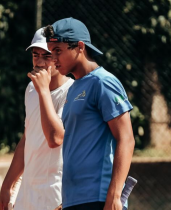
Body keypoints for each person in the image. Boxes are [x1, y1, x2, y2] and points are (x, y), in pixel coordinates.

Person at [44, 17, 135, 210]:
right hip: (75, 200)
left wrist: (115, 195)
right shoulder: (74, 89)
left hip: (100, 198)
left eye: (58, 51)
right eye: (51, 52)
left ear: (79, 47)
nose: (53, 59)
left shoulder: (103, 82)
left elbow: (126, 139)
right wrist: (69, 199)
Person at [0, 27, 74, 210]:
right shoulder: (31, 89)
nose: (39, 62)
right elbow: (27, 140)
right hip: (28, 193)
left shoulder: (73, 92)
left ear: (58, 56)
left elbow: (55, 139)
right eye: (35, 55)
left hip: (56, 195)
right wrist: (7, 185)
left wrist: (44, 91)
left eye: (46, 56)